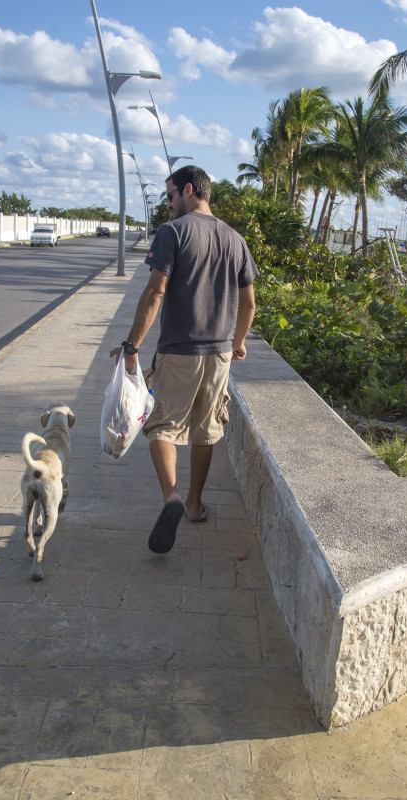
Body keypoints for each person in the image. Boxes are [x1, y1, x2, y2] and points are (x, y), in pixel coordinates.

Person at [110, 165, 258, 554]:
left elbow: (155, 293)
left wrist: (132, 346)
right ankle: (194, 506)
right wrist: (238, 342)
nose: (169, 202)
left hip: (180, 352)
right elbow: (249, 302)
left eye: (171, 194)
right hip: (220, 354)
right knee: (207, 430)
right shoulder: (235, 238)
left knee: (162, 427)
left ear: (189, 190)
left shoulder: (172, 232)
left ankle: (172, 497)